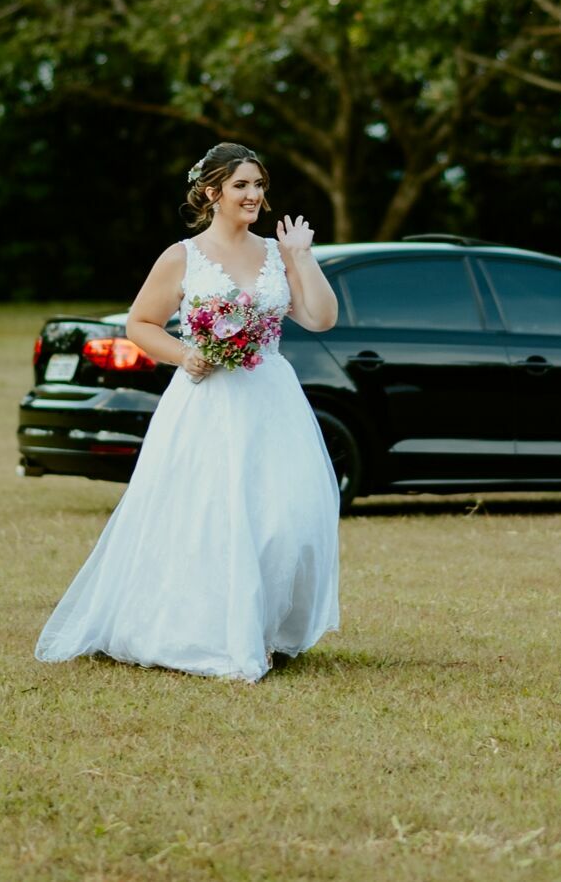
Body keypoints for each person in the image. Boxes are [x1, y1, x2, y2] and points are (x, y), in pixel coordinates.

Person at [35, 142, 342, 681]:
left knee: (287, 517)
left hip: (271, 399)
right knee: (209, 517)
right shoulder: (182, 256)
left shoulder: (276, 254)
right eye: (242, 185)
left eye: (259, 185)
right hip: (207, 401)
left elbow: (320, 318)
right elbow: (141, 324)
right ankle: (210, 632)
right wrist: (187, 355)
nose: (254, 195)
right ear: (212, 192)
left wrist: (301, 257)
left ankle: (269, 628)